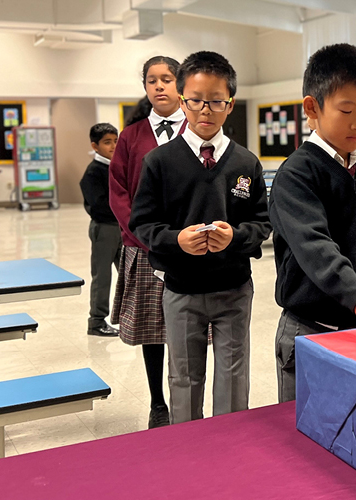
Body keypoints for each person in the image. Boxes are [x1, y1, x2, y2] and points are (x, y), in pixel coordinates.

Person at [131, 51, 271, 424]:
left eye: (215, 102)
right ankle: (188, 455)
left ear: (230, 104)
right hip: (181, 290)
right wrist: (176, 241)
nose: (205, 110)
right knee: (185, 379)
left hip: (234, 289)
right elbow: (142, 223)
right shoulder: (159, 162)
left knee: (232, 377)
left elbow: (262, 221)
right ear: (182, 101)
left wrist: (237, 236)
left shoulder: (245, 163)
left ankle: (230, 449)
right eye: (195, 101)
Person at [268, 44, 356, 403]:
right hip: (314, 333)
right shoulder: (296, 176)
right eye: (346, 110)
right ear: (312, 108)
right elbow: (316, 249)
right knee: (310, 443)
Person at [109, 55, 186, 429]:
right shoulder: (131, 136)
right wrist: (144, 236)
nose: (159, 86)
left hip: (189, 249)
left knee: (188, 330)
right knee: (154, 332)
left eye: (167, 79)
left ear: (181, 84)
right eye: (152, 80)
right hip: (144, 249)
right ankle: (158, 402)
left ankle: (187, 400)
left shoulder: (197, 129)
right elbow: (118, 192)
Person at [80, 123, 122, 337]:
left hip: (122, 229)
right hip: (105, 229)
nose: (113, 146)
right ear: (95, 146)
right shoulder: (93, 172)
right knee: (102, 277)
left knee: (127, 274)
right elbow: (99, 205)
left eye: (115, 141)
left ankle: (130, 316)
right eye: (107, 142)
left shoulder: (117, 166)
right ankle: (96, 322)